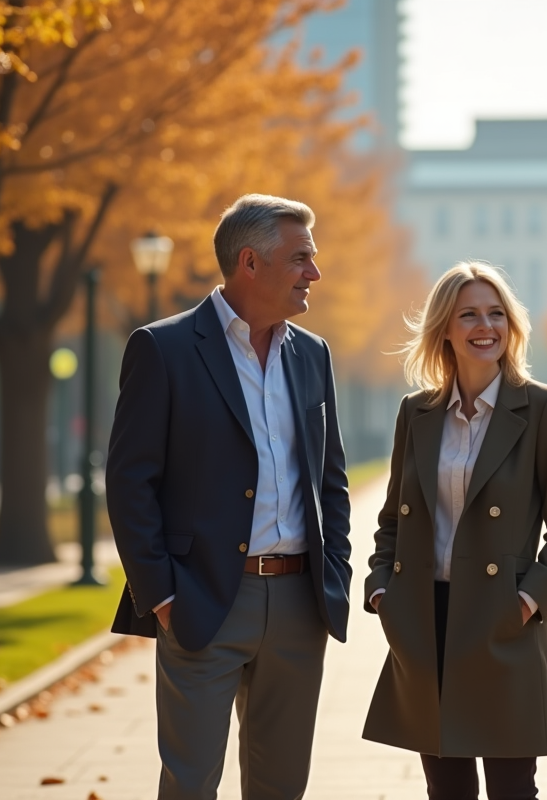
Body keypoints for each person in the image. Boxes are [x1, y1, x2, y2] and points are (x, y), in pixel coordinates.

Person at [106, 194, 351, 800]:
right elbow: (129, 482)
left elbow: (330, 479)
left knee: (281, 786)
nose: (313, 274)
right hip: (202, 600)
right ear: (250, 262)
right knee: (190, 785)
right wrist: (161, 594)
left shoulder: (313, 354)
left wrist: (334, 572)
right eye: (301, 259)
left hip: (299, 603)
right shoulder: (162, 349)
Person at [362, 261, 547, 800]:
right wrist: (381, 590)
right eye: (468, 314)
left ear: (511, 326)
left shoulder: (543, 408)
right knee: (446, 789)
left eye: (496, 314)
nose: (484, 326)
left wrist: (529, 599)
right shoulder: (416, 412)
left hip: (500, 620)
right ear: (445, 328)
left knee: (513, 788)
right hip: (425, 618)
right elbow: (393, 517)